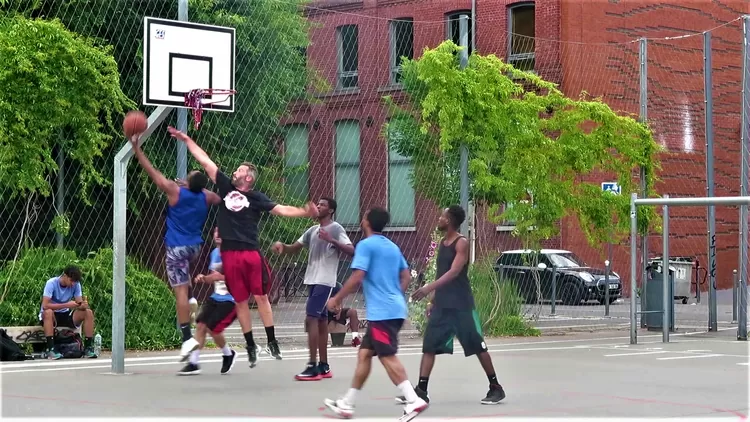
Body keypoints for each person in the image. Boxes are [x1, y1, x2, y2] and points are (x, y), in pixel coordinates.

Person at [170, 126, 317, 367]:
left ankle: (271, 341)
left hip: (250, 252)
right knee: (240, 302)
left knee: (261, 297)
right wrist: (187, 140)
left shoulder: (257, 198)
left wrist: (302, 211)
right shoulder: (226, 187)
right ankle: (250, 345)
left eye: (240, 169)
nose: (235, 171)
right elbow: (206, 161)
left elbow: (281, 209)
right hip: (230, 254)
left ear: (248, 177)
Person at [324, 207, 428, 420]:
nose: (362, 219)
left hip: (383, 314)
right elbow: (406, 276)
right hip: (392, 310)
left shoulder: (366, 245)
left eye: (363, 217)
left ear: (366, 222)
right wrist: (394, 295)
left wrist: (336, 298)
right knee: (364, 354)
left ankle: (413, 399)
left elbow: (357, 276)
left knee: (386, 355)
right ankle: (347, 404)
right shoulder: (392, 246)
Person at [128, 134, 221, 361]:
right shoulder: (206, 197)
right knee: (184, 280)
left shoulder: (174, 191)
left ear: (188, 183)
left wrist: (136, 148)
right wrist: (194, 187)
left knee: (178, 290)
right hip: (194, 248)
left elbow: (153, 173)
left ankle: (186, 337)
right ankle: (190, 299)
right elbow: (216, 197)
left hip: (177, 248)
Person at [404, 205, 506, 405]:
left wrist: (426, 288)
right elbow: (441, 273)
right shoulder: (443, 243)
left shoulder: (462, 243)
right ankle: (421, 390)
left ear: (449, 220)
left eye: (442, 216)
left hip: (461, 305)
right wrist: (432, 299)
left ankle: (496, 387)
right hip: (442, 305)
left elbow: (454, 272)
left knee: (478, 346)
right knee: (429, 345)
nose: (439, 218)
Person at [271, 197, 354, 381]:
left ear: (330, 210)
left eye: (322, 205)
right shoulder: (312, 230)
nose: (318, 206)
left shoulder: (336, 228)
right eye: (317, 204)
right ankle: (324, 366)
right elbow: (294, 248)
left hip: (325, 281)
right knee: (321, 321)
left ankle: (312, 366)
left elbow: (351, 250)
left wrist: (332, 240)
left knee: (311, 318)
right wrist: (282, 247)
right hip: (312, 280)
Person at [179, 227, 238, 376]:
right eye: (216, 232)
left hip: (232, 300)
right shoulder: (214, 254)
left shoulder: (233, 254)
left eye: (221, 232)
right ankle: (193, 363)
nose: (218, 234)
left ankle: (228, 354)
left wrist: (217, 277)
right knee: (201, 325)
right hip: (216, 297)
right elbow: (215, 276)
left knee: (213, 328)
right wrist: (204, 278)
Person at [39, 265, 97, 359]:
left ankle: (88, 348)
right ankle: (51, 349)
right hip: (51, 316)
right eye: (71, 280)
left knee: (88, 312)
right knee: (48, 312)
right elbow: (45, 305)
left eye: (75, 282)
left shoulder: (76, 284)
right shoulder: (51, 283)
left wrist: (83, 305)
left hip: (65, 314)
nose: (73, 284)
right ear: (64, 276)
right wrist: (66, 305)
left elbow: (79, 303)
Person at [328, 282, 362, 348]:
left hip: (336, 308)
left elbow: (340, 300)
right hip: (325, 311)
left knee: (353, 312)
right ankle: (323, 340)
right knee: (320, 316)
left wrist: (339, 311)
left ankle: (355, 338)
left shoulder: (338, 285)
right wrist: (331, 310)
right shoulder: (322, 286)